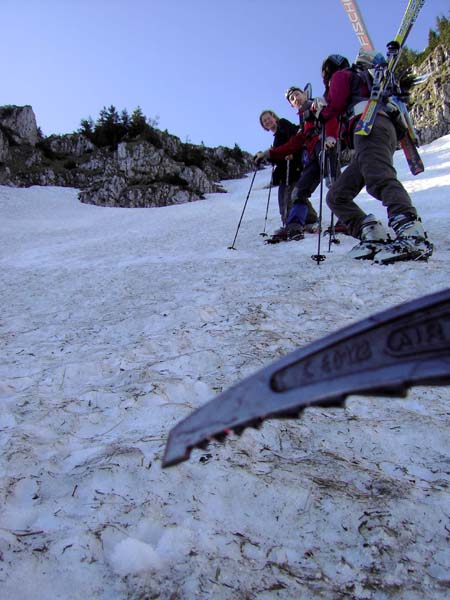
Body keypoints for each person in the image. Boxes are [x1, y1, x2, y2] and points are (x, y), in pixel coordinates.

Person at [318, 49, 433, 264]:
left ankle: (411, 232)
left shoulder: (341, 76)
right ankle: (372, 234)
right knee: (336, 196)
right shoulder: (362, 80)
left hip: (370, 126)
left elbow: (337, 103)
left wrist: (321, 113)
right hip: (372, 131)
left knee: (378, 177)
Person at [255, 83, 338, 242]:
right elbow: (294, 142)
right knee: (298, 194)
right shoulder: (303, 121)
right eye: (292, 98)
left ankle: (341, 220)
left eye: (297, 94)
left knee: (333, 185)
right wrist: (269, 153)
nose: (296, 99)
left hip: (322, 150)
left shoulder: (314, 107)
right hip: (312, 157)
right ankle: (294, 226)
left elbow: (330, 118)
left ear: (305, 94)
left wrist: (331, 137)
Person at [259, 110, 303, 229]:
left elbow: (296, 141)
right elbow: (279, 156)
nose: (267, 122)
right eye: (264, 121)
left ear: (274, 117)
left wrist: (293, 154)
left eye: (268, 118)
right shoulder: (277, 137)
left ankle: (293, 226)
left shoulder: (283, 124)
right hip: (286, 171)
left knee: (289, 199)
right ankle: (301, 223)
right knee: (287, 199)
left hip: (293, 168)